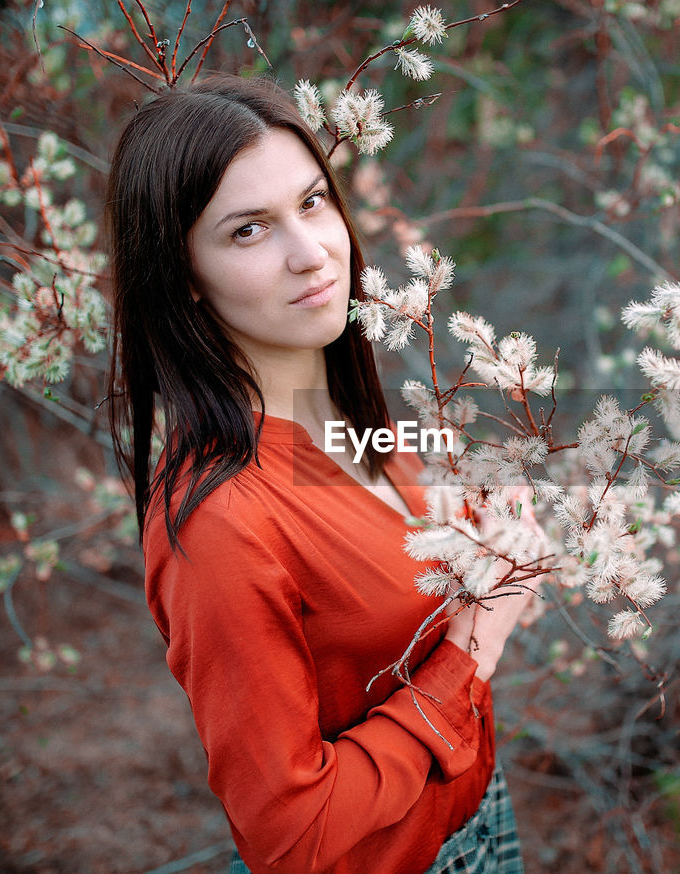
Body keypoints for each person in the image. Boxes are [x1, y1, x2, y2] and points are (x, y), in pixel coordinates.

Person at [104, 75, 532, 873]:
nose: (311, 253)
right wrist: (477, 642)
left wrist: (495, 555)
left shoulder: (349, 413)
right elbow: (291, 840)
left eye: (312, 202)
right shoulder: (220, 521)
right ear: (183, 273)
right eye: (247, 231)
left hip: (478, 819)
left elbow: (384, 609)